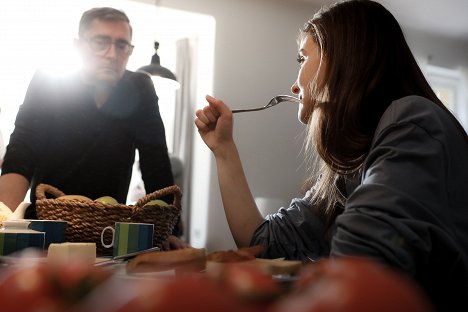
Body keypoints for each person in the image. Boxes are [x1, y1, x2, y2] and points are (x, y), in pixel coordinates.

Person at [195, 0, 468, 309]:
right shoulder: (354, 164)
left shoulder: (413, 120)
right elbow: (266, 244)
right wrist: (224, 149)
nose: (295, 85)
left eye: (302, 58)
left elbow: (361, 259)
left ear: (340, 58)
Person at [0, 7, 186, 249]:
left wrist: (168, 230)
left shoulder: (139, 88)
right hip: (45, 230)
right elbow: (21, 153)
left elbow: (156, 162)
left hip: (106, 232)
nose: (112, 54)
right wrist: (3, 219)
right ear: (78, 47)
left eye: (122, 46)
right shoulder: (49, 83)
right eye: (101, 42)